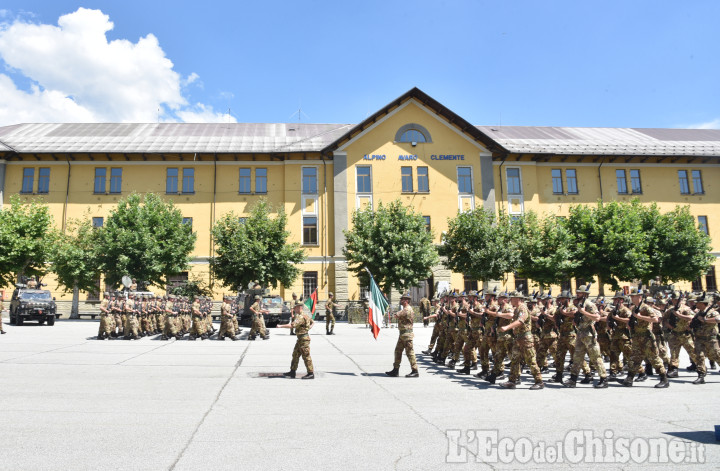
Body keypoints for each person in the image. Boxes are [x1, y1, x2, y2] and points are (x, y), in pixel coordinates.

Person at [618, 289, 669, 388]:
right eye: (631, 296)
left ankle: (664, 379)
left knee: (654, 358)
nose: (632, 298)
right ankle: (629, 378)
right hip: (637, 337)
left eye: (634, 296)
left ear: (640, 297)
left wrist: (640, 317)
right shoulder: (633, 308)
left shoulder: (646, 308)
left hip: (647, 337)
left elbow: (655, 319)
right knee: (634, 358)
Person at [562, 285, 609, 388]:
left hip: (589, 334)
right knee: (577, 357)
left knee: (595, 357)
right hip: (580, 333)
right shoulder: (579, 304)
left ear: (584, 294)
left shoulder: (589, 304)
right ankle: (573, 379)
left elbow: (597, 318)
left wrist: (583, 312)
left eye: (579, 292)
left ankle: (603, 379)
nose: (577, 294)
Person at [499, 291, 544, 390]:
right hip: (518, 338)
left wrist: (507, 327)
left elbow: (520, 321)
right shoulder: (517, 309)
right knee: (514, 360)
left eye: (512, 298)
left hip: (525, 339)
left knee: (530, 360)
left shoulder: (523, 308)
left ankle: (539, 381)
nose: (510, 300)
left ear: (518, 299)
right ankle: (512, 381)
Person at [385, 292, 419, 378]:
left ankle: (415, 371)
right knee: (398, 351)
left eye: (403, 299)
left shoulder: (407, 309)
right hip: (403, 335)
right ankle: (395, 370)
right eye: (401, 299)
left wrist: (390, 310)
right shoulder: (405, 309)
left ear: (407, 300)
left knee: (410, 353)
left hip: (407, 335)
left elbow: (396, 315)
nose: (401, 300)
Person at [689, 293, 720, 384]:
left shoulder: (712, 312)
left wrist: (705, 320)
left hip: (711, 339)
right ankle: (701, 375)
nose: (696, 304)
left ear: (703, 303)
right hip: (699, 339)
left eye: (698, 303)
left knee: (716, 355)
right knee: (699, 357)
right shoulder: (698, 313)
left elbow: (718, 320)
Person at [279, 300, 315, 379]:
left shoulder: (300, 317)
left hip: (303, 339)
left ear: (299, 307)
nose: (294, 309)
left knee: (306, 356)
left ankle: (311, 373)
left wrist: (280, 326)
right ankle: (292, 372)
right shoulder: (305, 315)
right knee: (295, 355)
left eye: (295, 308)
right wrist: (307, 328)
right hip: (300, 339)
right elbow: (313, 322)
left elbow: (292, 326)